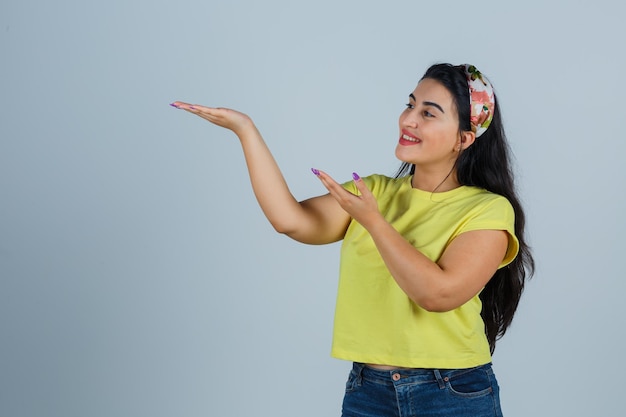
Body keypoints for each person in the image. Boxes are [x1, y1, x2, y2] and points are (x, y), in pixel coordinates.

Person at [170, 63, 534, 417]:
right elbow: (290, 220)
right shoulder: (374, 191)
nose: (408, 120)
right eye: (410, 105)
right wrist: (245, 130)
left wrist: (374, 222)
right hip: (367, 391)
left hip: (451, 393)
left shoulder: (487, 209)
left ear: (464, 138)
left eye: (429, 113)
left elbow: (438, 294)